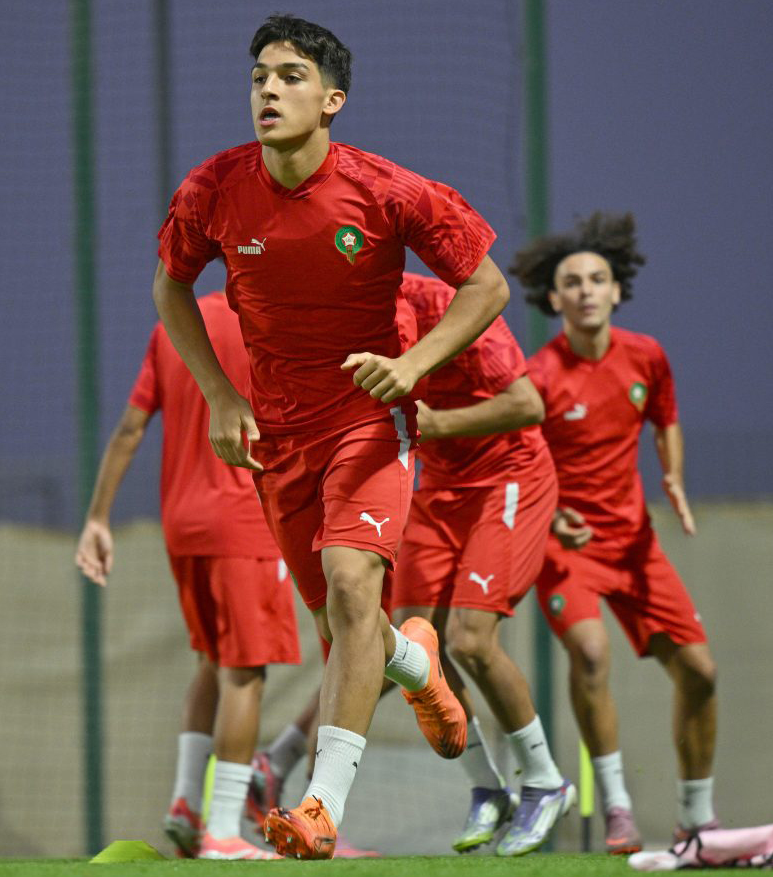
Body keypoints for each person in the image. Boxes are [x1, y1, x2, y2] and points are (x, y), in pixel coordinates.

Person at [153, 13, 511, 859]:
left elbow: (487, 285)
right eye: (258, 78)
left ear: (331, 100)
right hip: (279, 439)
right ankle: (418, 668)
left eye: (289, 77)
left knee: (354, 588)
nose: (268, 91)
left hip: (366, 423)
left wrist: (412, 364)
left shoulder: (386, 189)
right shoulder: (213, 188)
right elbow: (170, 288)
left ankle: (319, 807)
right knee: (342, 620)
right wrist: (220, 394)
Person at [511, 212, 719, 854]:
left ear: (617, 290)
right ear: (554, 298)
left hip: (634, 546)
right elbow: (519, 462)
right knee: (592, 655)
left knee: (700, 672)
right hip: (565, 547)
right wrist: (550, 516)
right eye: (572, 282)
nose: (586, 291)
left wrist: (673, 476)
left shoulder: (646, 356)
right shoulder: (539, 377)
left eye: (597, 279)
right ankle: (617, 808)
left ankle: (696, 818)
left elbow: (665, 418)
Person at [75, 292, 299, 860]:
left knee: (212, 661)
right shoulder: (279, 318)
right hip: (245, 519)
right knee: (244, 675)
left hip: (182, 522)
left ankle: (186, 803)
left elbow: (130, 428)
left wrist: (97, 519)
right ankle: (222, 831)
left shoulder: (176, 324)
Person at [390, 272, 574, 857]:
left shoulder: (449, 305)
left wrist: (438, 424)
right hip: (438, 485)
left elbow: (527, 404)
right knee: (414, 647)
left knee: (471, 640)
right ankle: (488, 788)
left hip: (507, 478)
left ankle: (545, 782)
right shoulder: (340, 313)